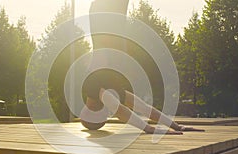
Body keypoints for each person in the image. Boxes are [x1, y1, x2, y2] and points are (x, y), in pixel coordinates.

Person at [80, 0, 204, 134]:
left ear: (92, 111)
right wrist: (176, 126)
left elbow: (120, 110)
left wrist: (149, 129)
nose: (106, 113)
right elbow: (145, 108)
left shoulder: (92, 87)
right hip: (114, 32)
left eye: (102, 115)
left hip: (102, 23)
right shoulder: (113, 92)